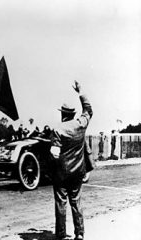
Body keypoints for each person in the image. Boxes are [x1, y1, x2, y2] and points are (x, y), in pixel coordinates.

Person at [50, 81, 93, 240]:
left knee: (61, 203)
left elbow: (54, 154)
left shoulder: (58, 129)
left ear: (62, 114)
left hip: (61, 173)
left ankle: (61, 235)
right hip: (78, 172)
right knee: (76, 202)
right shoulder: (81, 124)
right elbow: (88, 110)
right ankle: (80, 234)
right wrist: (80, 91)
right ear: (73, 114)